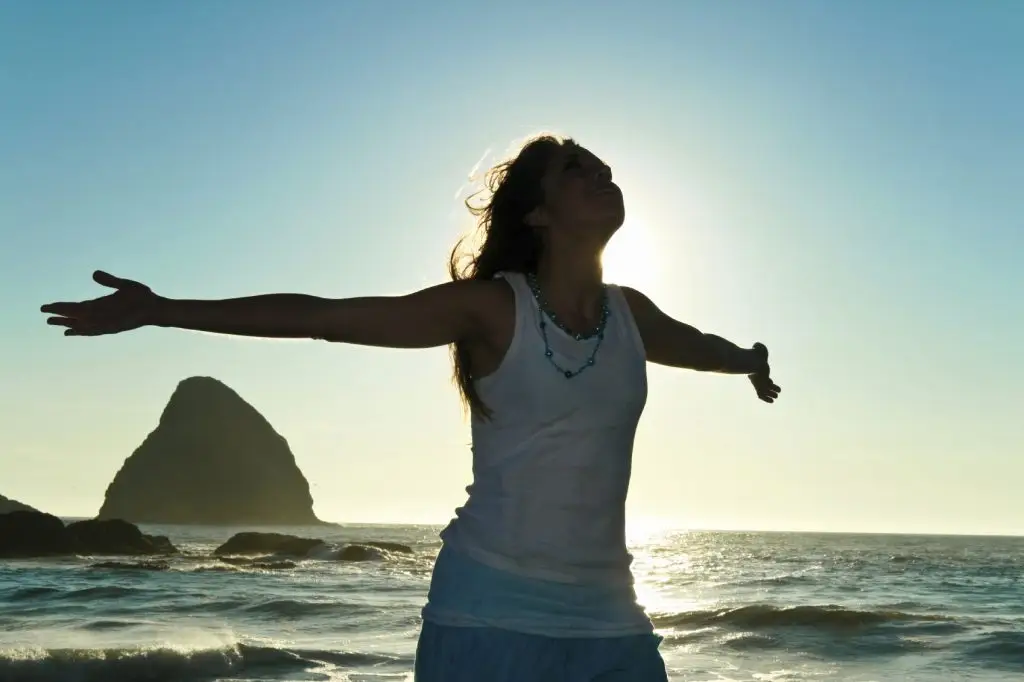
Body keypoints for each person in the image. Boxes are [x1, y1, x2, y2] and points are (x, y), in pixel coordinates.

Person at [41, 134, 780, 681]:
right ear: (539, 217)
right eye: (577, 171)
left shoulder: (632, 315)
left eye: (606, 170)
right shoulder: (493, 309)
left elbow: (699, 345)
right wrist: (166, 310)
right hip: (487, 610)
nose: (602, 178)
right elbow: (326, 316)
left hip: (613, 619)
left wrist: (749, 361)